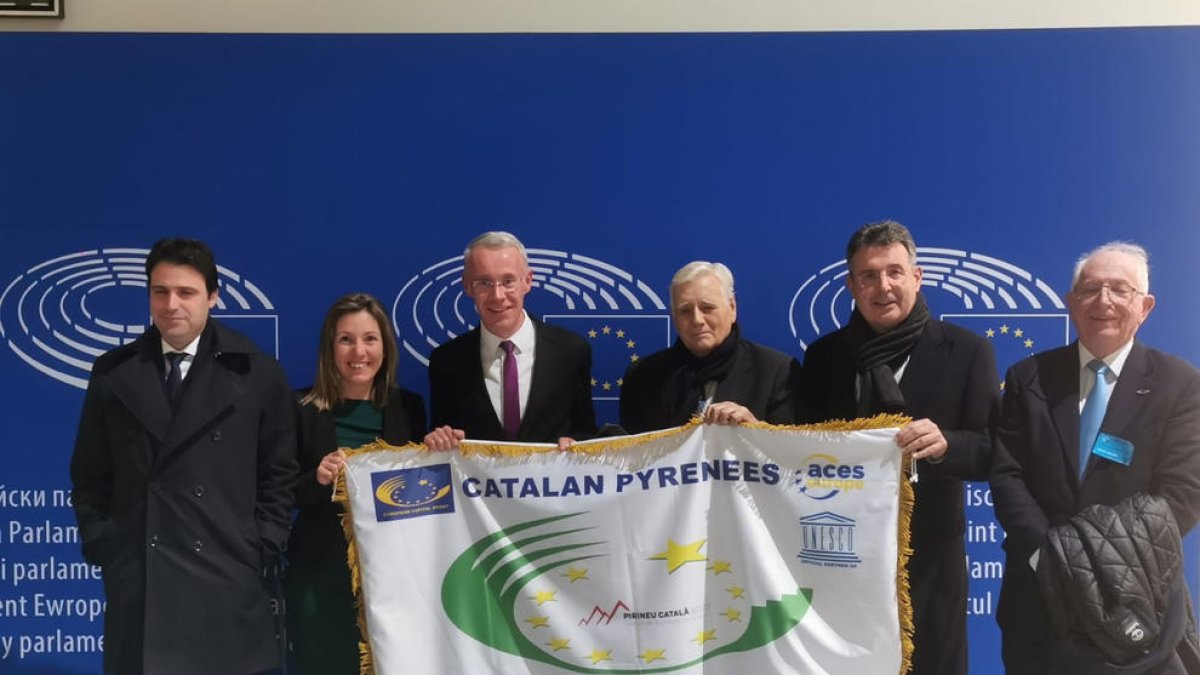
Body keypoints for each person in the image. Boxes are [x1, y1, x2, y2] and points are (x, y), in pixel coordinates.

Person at [69, 238, 297, 675]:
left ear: (212, 296)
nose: (171, 305)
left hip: (225, 575)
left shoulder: (256, 372)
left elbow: (279, 472)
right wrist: (107, 546)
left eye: (186, 292)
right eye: (160, 291)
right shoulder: (114, 372)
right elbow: (90, 474)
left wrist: (260, 544)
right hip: (141, 578)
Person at [990, 242, 1200, 673]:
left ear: (1145, 306)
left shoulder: (1180, 384)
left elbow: (1182, 493)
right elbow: (1007, 474)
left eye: (1120, 290)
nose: (1103, 301)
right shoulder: (1028, 377)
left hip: (1136, 599)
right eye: (1090, 289)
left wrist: (1098, 565)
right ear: (1071, 303)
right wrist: (1049, 558)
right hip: (1036, 595)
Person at [801, 220, 998, 675]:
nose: (882, 286)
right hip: (840, 557)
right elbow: (798, 447)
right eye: (869, 276)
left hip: (930, 559)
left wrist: (948, 443)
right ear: (852, 285)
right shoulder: (824, 357)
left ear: (917, 276)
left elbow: (994, 451)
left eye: (894, 272)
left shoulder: (968, 352)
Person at [285, 293, 427, 674]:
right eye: (346, 339)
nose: (359, 351)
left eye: (370, 338)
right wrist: (317, 478)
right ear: (330, 347)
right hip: (319, 571)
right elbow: (277, 491)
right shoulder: (300, 408)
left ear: (385, 346)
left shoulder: (409, 407)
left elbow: (423, 490)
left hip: (394, 575)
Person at [424, 231, 597, 450]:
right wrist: (440, 439)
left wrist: (577, 443)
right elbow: (441, 442)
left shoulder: (572, 352)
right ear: (467, 286)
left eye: (508, 281)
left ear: (527, 281)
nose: (497, 295)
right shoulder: (446, 361)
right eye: (484, 282)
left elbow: (586, 431)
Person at [620, 260, 801, 432]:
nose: (697, 320)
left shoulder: (777, 371)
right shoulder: (642, 376)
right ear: (674, 317)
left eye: (707, 308)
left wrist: (755, 430)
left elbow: (793, 457)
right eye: (685, 311)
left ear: (732, 308)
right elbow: (629, 458)